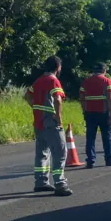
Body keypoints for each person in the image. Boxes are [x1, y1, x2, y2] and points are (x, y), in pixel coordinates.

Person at [23, 55, 72, 196]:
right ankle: (60, 184)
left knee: (42, 153)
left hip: (38, 122)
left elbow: (27, 96)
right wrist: (58, 117)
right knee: (60, 153)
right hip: (50, 122)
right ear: (58, 67)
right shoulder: (53, 80)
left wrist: (34, 106)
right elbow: (57, 99)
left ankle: (41, 182)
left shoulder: (39, 81)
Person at [80, 62, 111, 168]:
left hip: (90, 113)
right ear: (104, 70)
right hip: (104, 113)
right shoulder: (107, 81)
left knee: (90, 138)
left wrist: (84, 111)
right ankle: (109, 160)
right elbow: (110, 99)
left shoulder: (86, 82)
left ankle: (90, 161)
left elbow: (82, 98)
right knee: (107, 137)